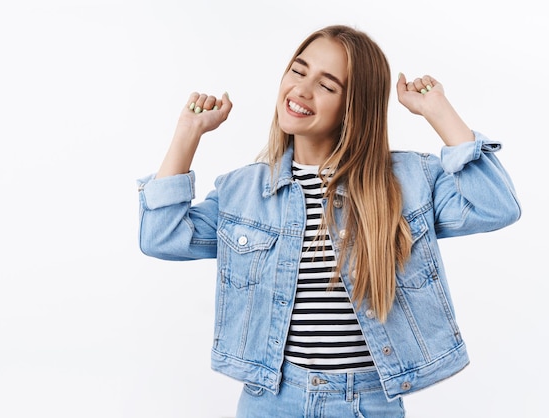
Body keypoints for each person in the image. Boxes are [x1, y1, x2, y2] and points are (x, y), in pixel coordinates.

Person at [136, 25, 521, 418]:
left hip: (367, 403)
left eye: (327, 85)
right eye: (299, 71)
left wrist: (439, 112)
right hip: (270, 401)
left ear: (354, 105)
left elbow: (495, 206)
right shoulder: (245, 192)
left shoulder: (405, 182)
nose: (301, 90)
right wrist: (188, 133)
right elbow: (161, 237)